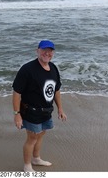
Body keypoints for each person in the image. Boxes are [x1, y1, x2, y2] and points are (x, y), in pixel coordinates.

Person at [12, 40, 67, 172]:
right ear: (37, 51)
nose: (47, 53)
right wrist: (17, 114)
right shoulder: (27, 69)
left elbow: (56, 90)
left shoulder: (53, 68)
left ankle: (36, 158)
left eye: (50, 51)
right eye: (44, 50)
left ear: (53, 53)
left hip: (46, 111)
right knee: (32, 138)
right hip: (31, 111)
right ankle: (27, 166)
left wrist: (60, 108)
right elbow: (16, 92)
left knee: (41, 134)